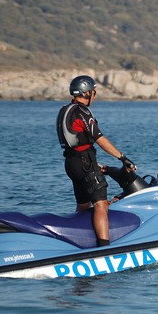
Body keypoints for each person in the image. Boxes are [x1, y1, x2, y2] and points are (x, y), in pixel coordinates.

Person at [57, 75, 137, 246]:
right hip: (85, 162)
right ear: (87, 93)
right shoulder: (82, 111)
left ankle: (80, 241)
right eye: (94, 92)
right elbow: (100, 139)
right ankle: (103, 246)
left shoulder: (64, 110)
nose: (95, 95)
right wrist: (123, 158)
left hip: (71, 163)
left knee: (83, 205)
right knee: (101, 205)